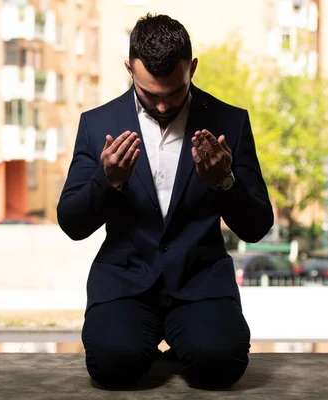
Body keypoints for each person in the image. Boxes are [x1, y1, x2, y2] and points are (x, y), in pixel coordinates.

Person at [57, 13, 274, 390]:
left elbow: (257, 226)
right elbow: (72, 224)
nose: (161, 107)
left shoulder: (230, 122)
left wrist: (224, 181)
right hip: (125, 280)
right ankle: (142, 345)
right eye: (149, 94)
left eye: (173, 93)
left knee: (222, 366)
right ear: (129, 69)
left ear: (192, 67)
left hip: (199, 279)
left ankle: (189, 344)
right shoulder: (96, 124)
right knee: (112, 365)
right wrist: (108, 181)